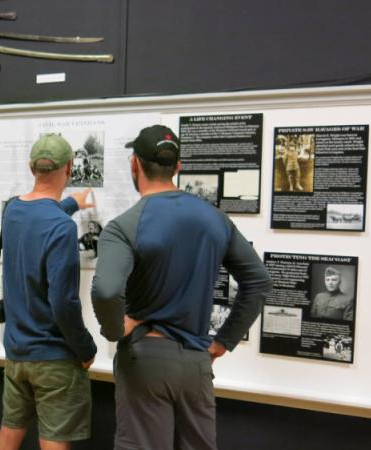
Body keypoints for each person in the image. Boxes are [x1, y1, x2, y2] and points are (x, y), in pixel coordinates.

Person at [91, 125, 272, 450]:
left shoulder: (124, 226)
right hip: (196, 361)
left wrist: (116, 329)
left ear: (134, 164)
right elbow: (258, 281)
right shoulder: (215, 219)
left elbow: (106, 290)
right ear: (177, 167)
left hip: (145, 360)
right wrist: (222, 343)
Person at [0, 134, 98, 450]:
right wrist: (85, 348)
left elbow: (38, 216)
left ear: (30, 167)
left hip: (17, 353)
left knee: (10, 432)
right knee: (53, 441)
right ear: (70, 168)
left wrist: (70, 204)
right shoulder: (62, 227)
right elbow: (63, 303)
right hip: (53, 356)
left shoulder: (11, 211)